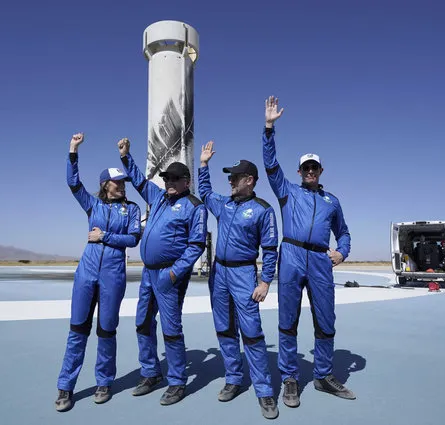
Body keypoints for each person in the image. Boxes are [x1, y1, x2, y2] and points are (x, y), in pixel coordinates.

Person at [261, 96, 355, 407]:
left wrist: (342, 251)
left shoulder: (332, 201)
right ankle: (290, 377)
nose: (310, 171)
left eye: (314, 167)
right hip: (290, 256)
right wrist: (269, 127)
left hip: (319, 260)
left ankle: (323, 374)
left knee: (325, 319)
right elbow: (270, 165)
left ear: (321, 170)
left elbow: (343, 233)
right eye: (306, 167)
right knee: (288, 320)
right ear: (300, 171)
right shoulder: (287, 191)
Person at [55, 133, 142, 412]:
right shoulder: (93, 204)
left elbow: (133, 240)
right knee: (77, 330)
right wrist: (72, 151)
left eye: (123, 182)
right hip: (86, 274)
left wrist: (104, 236)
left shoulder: (132, 209)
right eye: (117, 183)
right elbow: (72, 183)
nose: (122, 186)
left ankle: (104, 381)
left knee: (106, 331)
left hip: (113, 276)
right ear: (106, 184)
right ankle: (65, 387)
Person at [119, 137, 207, 406]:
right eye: (167, 178)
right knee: (143, 323)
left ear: (186, 182)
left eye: (174, 179)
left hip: (169, 275)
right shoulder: (158, 198)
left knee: (171, 329)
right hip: (148, 273)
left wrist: (174, 273)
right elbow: (138, 180)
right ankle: (150, 373)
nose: (169, 182)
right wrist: (125, 157)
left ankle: (177, 381)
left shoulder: (194, 206)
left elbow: (196, 245)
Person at [198, 141, 279, 420]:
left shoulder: (262, 209)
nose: (230, 181)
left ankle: (264, 391)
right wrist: (203, 165)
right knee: (224, 328)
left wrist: (265, 281)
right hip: (219, 273)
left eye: (234, 177)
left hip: (245, 274)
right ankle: (233, 378)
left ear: (249, 180)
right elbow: (206, 192)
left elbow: (270, 249)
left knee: (252, 332)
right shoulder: (223, 204)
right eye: (230, 178)